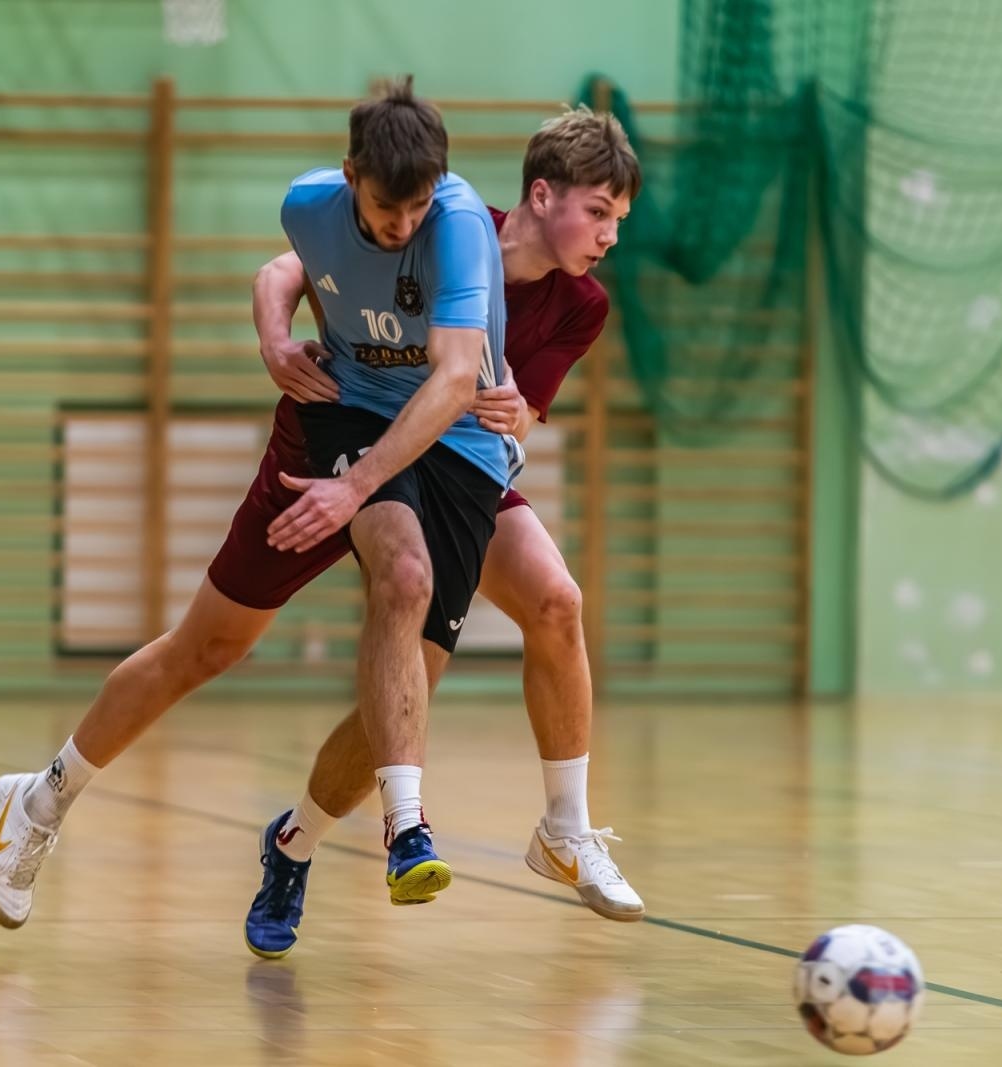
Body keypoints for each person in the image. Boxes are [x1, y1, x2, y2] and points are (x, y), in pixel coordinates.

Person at [0, 75, 514, 929]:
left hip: (447, 447)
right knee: (209, 645)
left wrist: (357, 485)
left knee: (412, 665)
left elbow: (455, 379)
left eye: (416, 208)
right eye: (385, 208)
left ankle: (299, 840)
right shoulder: (310, 204)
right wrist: (273, 339)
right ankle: (40, 798)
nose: (401, 226)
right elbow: (283, 272)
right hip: (337, 412)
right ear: (350, 176)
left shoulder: (455, 225)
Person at [244, 106, 643, 958]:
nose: (611, 236)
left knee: (555, 604)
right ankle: (314, 843)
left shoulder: (583, 305)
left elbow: (522, 413)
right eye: (601, 213)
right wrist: (278, 338)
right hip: (378, 447)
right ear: (541, 195)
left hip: (466, 471)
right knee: (400, 662)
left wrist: (514, 411)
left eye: (619, 221)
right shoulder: (445, 223)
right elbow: (289, 266)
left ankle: (563, 828)